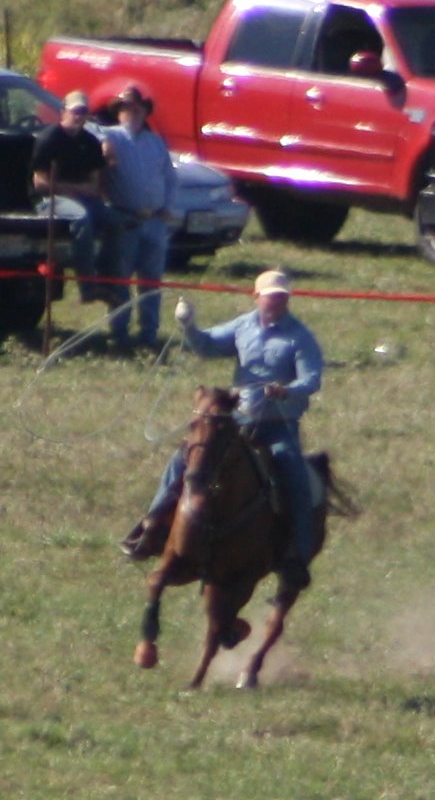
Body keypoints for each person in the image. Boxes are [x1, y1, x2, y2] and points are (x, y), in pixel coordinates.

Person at [119, 270, 324, 593]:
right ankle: (150, 527)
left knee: (293, 472)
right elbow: (206, 346)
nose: (276, 302)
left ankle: (296, 555)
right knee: (183, 459)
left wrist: (286, 390)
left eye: (281, 297)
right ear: (257, 297)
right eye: (271, 296)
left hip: (277, 426)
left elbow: (311, 378)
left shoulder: (299, 337)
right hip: (237, 420)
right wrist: (188, 325)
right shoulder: (243, 326)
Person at [101, 84, 176, 353]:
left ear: (144, 111)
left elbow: (169, 177)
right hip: (125, 217)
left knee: (151, 280)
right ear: (118, 112)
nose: (132, 112)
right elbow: (90, 134)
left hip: (155, 220)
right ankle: (119, 332)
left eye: (137, 108)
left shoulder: (156, 142)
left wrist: (168, 207)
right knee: (121, 278)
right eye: (126, 108)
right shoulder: (109, 136)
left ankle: (149, 333)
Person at [30, 89, 115, 304]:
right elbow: (39, 183)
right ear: (63, 112)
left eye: (83, 112)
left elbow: (95, 186)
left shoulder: (91, 143)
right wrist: (73, 189)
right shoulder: (49, 138)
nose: (79, 116)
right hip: (49, 200)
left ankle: (109, 280)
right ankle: (88, 287)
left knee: (118, 221)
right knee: (81, 217)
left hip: (81, 197)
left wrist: (73, 189)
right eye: (75, 111)